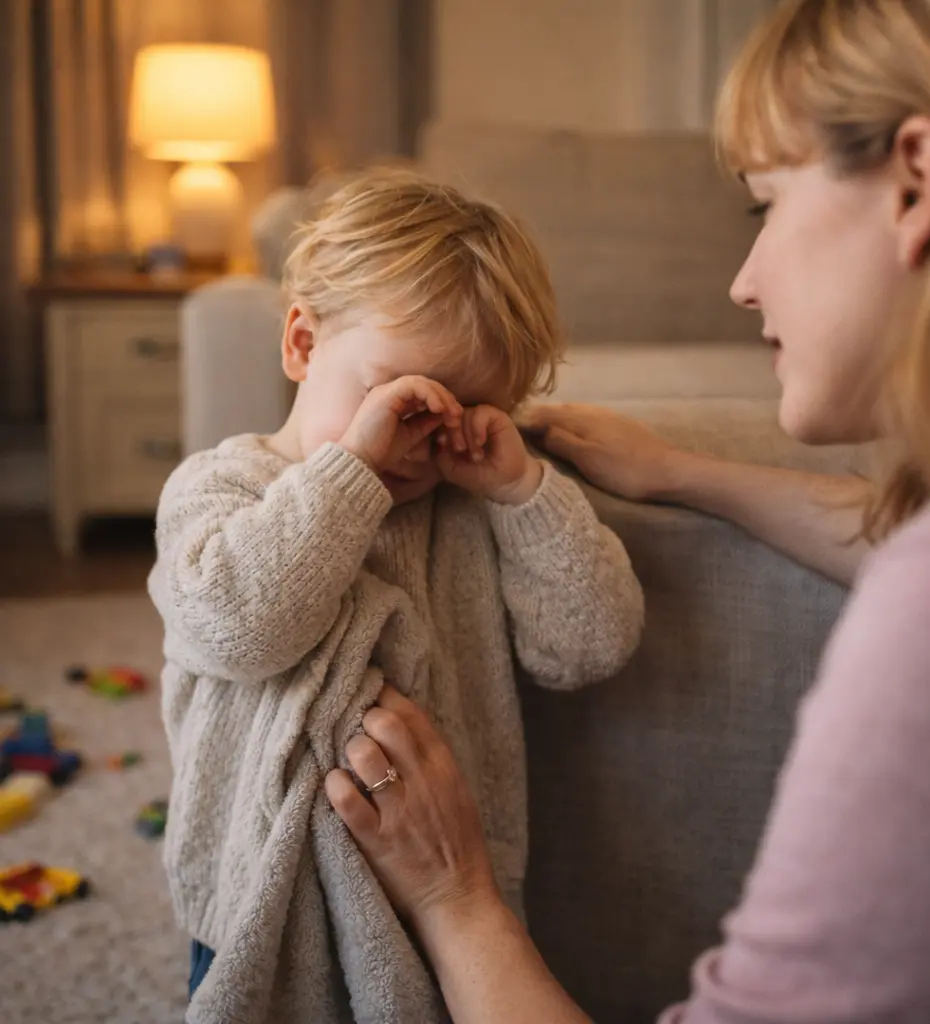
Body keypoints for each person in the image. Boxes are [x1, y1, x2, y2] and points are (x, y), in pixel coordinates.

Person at [324, 1, 930, 1021]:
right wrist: (682, 473)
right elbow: (904, 532)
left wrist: (453, 894)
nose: (741, 284)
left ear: (916, 180)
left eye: (764, 207)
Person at [147, 167, 643, 1024]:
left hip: (441, 881)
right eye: (401, 397)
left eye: (466, 410)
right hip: (264, 896)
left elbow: (589, 646)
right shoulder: (222, 486)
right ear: (302, 344)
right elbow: (232, 627)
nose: (422, 442)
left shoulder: (472, 509)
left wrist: (524, 489)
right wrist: (349, 476)